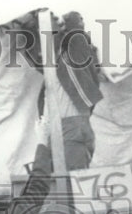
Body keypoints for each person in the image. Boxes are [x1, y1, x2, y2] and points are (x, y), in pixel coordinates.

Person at [37, 11, 104, 170]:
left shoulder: (74, 51)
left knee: (73, 185)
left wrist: (68, 21)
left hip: (70, 127)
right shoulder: (58, 63)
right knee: (69, 183)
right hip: (66, 127)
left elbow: (76, 31)